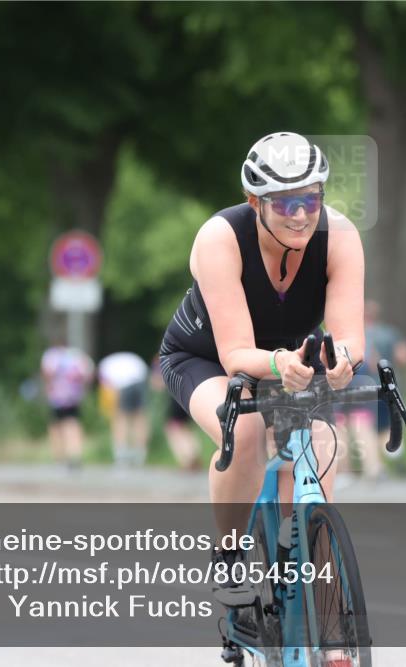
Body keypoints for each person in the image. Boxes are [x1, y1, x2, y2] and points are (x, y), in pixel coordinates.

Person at [157, 132, 362, 619]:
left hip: (288, 362)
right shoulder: (219, 238)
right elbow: (234, 355)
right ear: (255, 202)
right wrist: (281, 364)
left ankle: (323, 606)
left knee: (322, 442)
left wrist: (340, 363)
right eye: (286, 202)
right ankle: (228, 557)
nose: (300, 215)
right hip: (203, 359)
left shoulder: (341, 237)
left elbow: (351, 336)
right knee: (246, 431)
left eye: (310, 199)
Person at [336, 299, 406, 482]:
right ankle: (379, 464)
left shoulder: (355, 336)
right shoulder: (389, 333)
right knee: (377, 428)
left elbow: (368, 360)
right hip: (386, 388)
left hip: (360, 386)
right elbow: (405, 356)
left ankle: (348, 472)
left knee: (352, 427)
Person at [40, 341, 94, 470]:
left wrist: (48, 387)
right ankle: (75, 455)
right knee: (73, 425)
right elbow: (88, 373)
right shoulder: (76, 355)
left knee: (56, 427)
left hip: (57, 397)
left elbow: (47, 373)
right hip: (73, 397)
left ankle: (60, 458)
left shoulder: (51, 355)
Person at [150, 355, 203, 471]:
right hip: (191, 394)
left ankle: (187, 458)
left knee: (172, 428)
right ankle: (194, 455)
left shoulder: (163, 359)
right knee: (185, 428)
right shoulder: (190, 355)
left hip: (176, 397)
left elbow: (157, 384)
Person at [98, 351, 150, 467]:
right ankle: (140, 453)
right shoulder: (133, 357)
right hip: (139, 382)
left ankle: (121, 453)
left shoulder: (104, 365)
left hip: (123, 384)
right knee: (139, 418)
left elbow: (107, 387)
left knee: (120, 418)